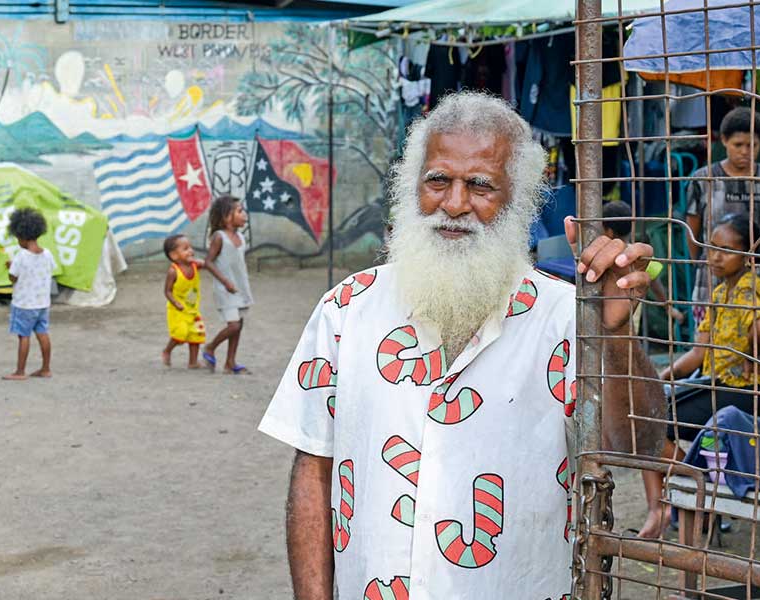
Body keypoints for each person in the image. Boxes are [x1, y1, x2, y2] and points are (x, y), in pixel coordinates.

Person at [256, 92, 665, 600]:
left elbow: (636, 448)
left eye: (479, 185)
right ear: (412, 186)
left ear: (518, 200)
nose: (453, 204)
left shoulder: (565, 316)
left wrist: (615, 336)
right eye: (437, 181)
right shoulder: (346, 309)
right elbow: (313, 470)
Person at [646, 213, 760, 538]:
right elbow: (698, 353)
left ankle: (696, 485)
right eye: (713, 248)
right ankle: (690, 485)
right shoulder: (720, 292)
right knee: (649, 414)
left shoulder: (749, 289)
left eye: (726, 250)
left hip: (747, 392)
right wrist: (661, 377)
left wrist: (753, 351)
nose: (715, 256)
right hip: (717, 386)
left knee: (652, 427)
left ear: (748, 255)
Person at [685, 107, 760, 322]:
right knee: (709, 344)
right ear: (723, 141)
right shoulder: (704, 179)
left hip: (758, 274)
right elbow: (692, 227)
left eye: (752, 146)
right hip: (712, 275)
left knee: (756, 337)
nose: (745, 152)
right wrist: (704, 261)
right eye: (738, 145)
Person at [603, 200, 685, 332]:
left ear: (609, 231)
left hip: (604, 324)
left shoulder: (604, 258)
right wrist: (669, 309)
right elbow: (656, 284)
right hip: (630, 328)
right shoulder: (641, 258)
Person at [161, 234, 236, 368]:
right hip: (177, 311)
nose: (191, 251)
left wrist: (216, 258)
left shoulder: (195, 265)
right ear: (174, 255)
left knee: (196, 335)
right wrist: (175, 302)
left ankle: (193, 362)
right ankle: (167, 350)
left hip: (193, 309)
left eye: (190, 247)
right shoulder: (173, 271)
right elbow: (167, 291)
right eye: (185, 249)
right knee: (180, 334)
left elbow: (208, 264)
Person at [201, 196, 254, 374]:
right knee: (233, 326)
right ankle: (210, 347)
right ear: (225, 217)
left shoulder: (240, 236)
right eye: (239, 211)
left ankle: (230, 362)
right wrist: (225, 281)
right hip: (225, 290)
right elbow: (208, 262)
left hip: (240, 288)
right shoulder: (219, 237)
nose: (244, 214)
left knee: (238, 324)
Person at [3, 207, 56, 381]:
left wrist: (10, 267)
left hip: (24, 304)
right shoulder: (47, 254)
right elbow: (46, 270)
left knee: (23, 336)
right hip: (42, 303)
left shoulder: (21, 256)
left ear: (23, 237)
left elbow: (13, 277)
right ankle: (46, 368)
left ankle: (20, 371)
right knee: (43, 333)